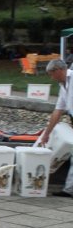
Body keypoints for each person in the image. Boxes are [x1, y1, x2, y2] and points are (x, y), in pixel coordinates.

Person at [41, 59, 73, 198]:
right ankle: (69, 189)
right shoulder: (63, 85)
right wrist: (47, 133)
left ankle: (69, 189)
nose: (51, 77)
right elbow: (58, 111)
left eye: (51, 74)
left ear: (58, 70)